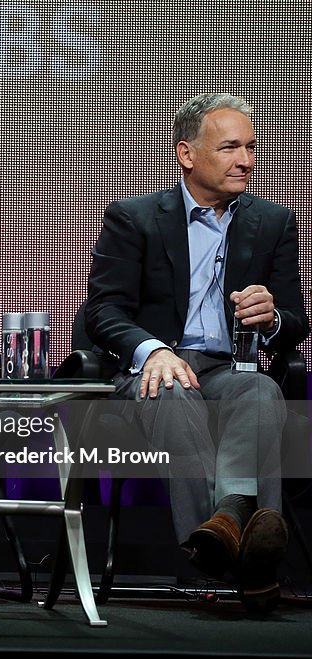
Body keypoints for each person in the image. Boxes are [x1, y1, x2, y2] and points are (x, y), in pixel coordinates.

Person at [85, 93, 309, 613]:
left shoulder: (273, 222)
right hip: (154, 370)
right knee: (175, 390)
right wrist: (154, 350)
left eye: (251, 148)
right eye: (230, 147)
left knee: (259, 390)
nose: (247, 161)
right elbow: (103, 312)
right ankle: (247, 555)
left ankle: (220, 532)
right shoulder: (134, 218)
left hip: (232, 370)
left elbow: (296, 322)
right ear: (187, 154)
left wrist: (271, 318)